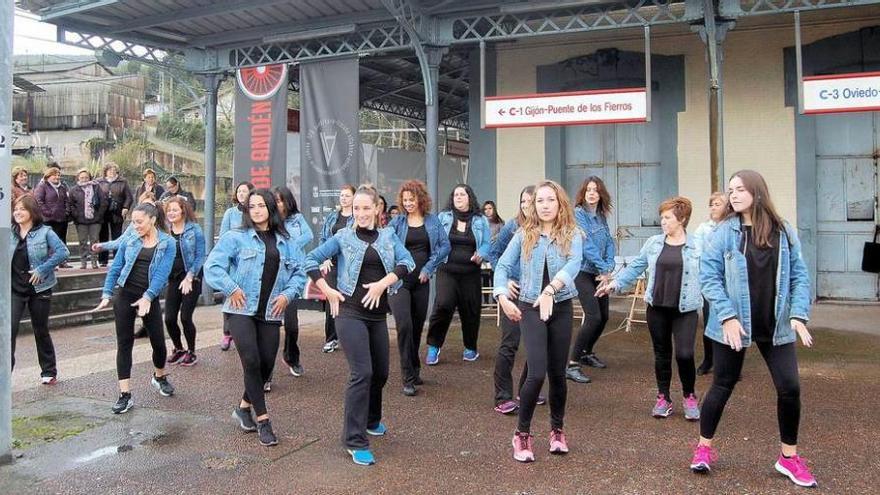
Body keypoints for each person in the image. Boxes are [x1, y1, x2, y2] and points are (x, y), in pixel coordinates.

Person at [690, 170, 816, 488]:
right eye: (730, 190)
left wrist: (798, 315)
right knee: (723, 384)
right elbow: (709, 276)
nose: (733, 195)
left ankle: (788, 458)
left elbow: (799, 275)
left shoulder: (783, 231)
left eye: (740, 189)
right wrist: (728, 317)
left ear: (757, 192)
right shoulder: (725, 232)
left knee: (790, 388)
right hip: (733, 324)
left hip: (776, 326)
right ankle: (704, 448)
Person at [305, 184, 415, 466]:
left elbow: (407, 262)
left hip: (377, 316)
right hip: (349, 313)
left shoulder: (389, 236)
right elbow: (310, 259)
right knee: (362, 372)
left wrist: (382, 284)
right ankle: (354, 440)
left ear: (378, 209)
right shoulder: (343, 237)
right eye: (356, 208)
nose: (361, 214)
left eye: (367, 208)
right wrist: (326, 290)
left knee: (380, 374)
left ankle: (371, 419)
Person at [206, 189, 307, 447]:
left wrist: (287, 294)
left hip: (271, 311)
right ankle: (263, 420)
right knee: (251, 361)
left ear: (271, 208)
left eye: (262, 205)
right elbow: (213, 266)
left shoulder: (286, 240)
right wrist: (231, 288)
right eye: (252, 206)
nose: (257, 210)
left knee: (265, 366)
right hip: (241, 309)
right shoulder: (236, 237)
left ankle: (243, 407)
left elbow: (299, 272)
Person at [493, 180, 583, 463]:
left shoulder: (572, 233)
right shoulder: (524, 234)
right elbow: (503, 266)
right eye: (540, 201)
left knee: (558, 373)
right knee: (536, 372)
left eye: (550, 200)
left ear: (560, 203)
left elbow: (574, 264)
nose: (545, 205)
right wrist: (502, 295)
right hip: (530, 307)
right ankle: (522, 434)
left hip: (560, 305)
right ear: (533, 206)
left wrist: (550, 290)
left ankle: (557, 430)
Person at [596, 197, 702, 420]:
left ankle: (689, 395)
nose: (663, 221)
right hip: (657, 307)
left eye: (667, 217)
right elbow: (636, 266)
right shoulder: (654, 243)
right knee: (662, 354)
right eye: (662, 217)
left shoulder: (697, 245)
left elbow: (711, 273)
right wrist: (614, 284)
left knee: (685, 354)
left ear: (681, 219)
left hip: (686, 309)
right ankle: (663, 397)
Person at [94, 202, 176, 414]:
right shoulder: (130, 238)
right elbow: (116, 267)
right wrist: (107, 293)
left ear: (153, 220)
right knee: (124, 343)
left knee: (158, 343)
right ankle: (125, 394)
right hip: (125, 294)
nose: (135, 225)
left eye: (139, 222)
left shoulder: (167, 243)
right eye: (133, 221)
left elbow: (162, 274)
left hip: (149, 297)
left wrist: (148, 297)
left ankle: (159, 376)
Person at [387, 180, 450, 396]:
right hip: (399, 281)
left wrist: (429, 268)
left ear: (420, 199)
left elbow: (445, 246)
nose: (408, 203)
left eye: (411, 199)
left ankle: (414, 370)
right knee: (404, 325)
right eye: (405, 200)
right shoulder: (396, 223)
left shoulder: (432, 221)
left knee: (415, 328)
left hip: (422, 281)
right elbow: (385, 245)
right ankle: (407, 377)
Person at [425, 184, 491, 365]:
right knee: (443, 305)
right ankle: (433, 346)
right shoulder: (443, 217)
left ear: (470, 197)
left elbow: (486, 243)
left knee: (470, 310)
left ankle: (470, 347)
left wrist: (482, 254)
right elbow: (436, 241)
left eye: (462, 194)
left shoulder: (480, 220)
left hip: (471, 273)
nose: (458, 198)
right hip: (447, 270)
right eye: (455, 195)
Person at [10, 195, 70, 384]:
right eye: (16, 209)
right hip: (14, 288)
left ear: (32, 212)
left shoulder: (45, 232)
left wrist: (43, 268)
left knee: (40, 329)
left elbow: (63, 252)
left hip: (39, 288)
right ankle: (5, 372)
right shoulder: (9, 232)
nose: (18, 212)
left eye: (22, 209)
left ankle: (48, 371)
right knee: (8, 329)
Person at [488, 185, 535, 415]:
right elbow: (494, 253)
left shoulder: (547, 229)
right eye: (523, 202)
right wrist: (504, 281)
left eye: (530, 202)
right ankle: (502, 397)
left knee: (536, 344)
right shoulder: (512, 226)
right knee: (510, 342)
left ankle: (527, 390)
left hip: (536, 293)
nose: (526, 206)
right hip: (514, 292)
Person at [566, 176, 616, 384]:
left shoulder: (602, 217)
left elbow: (610, 242)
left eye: (595, 190)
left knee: (604, 316)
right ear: (583, 194)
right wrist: (604, 269)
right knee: (593, 316)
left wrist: (609, 265)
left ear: (601, 193)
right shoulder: (579, 214)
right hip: (584, 272)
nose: (592, 193)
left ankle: (587, 352)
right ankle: (572, 364)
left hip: (601, 273)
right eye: (588, 190)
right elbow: (586, 247)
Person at [271, 185, 314, 379]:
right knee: (269, 328)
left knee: (292, 325)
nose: (278, 204)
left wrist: (289, 244)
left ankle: (291, 357)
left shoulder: (297, 219)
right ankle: (266, 373)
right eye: (275, 200)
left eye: (281, 200)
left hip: (293, 277)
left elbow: (308, 236)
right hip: (272, 277)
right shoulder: (269, 220)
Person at [163, 197, 206, 367]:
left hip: (191, 278)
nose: (171, 213)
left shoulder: (194, 229)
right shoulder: (165, 231)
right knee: (169, 318)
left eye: (175, 209)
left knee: (186, 317)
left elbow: (200, 255)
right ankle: (178, 348)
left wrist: (190, 276)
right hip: (173, 279)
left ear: (183, 210)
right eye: (169, 210)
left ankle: (191, 351)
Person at [692, 191, 729, 376]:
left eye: (718, 204)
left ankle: (730, 364)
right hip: (711, 282)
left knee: (730, 321)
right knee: (709, 321)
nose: (714, 207)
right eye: (712, 204)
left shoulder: (732, 227)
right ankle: (708, 360)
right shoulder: (703, 229)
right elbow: (697, 252)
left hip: (730, 283)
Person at [218, 181, 255, 351]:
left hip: (251, 262)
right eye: (239, 191)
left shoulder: (255, 212)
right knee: (230, 295)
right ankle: (227, 333)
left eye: (244, 191)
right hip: (233, 264)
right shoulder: (230, 213)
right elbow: (223, 237)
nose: (241, 194)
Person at [318, 185, 355, 353]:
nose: (344, 198)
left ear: (354, 197)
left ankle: (350, 337)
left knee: (350, 301)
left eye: (347, 195)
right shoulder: (332, 217)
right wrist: (324, 257)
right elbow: (323, 238)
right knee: (331, 300)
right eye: (342, 195)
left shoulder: (357, 218)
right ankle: (331, 338)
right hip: (333, 264)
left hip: (351, 265)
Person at [68, 168, 107, 269]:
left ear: (89, 177)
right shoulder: (74, 190)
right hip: (80, 220)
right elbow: (71, 204)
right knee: (82, 241)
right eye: (82, 177)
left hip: (95, 220)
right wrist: (76, 215)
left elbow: (103, 202)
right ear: (78, 178)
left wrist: (98, 215)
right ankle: (83, 262)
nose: (84, 179)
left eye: (86, 177)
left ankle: (94, 261)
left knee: (94, 240)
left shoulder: (96, 188)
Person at [97, 163, 134, 267]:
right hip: (103, 213)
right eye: (109, 170)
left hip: (117, 213)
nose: (112, 172)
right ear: (106, 171)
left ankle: (117, 259)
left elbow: (129, 197)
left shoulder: (123, 182)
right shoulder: (99, 182)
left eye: (114, 170)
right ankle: (103, 260)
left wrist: (126, 207)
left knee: (117, 236)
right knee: (103, 236)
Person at [33, 166, 70, 253]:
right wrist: (48, 212)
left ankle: (62, 260)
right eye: (54, 175)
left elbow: (67, 200)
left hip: (61, 219)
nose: (57, 177)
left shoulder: (62, 187)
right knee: (49, 241)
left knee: (61, 239)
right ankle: (50, 260)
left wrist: (66, 212)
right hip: (48, 219)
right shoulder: (42, 187)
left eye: (58, 175)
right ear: (48, 176)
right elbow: (39, 201)